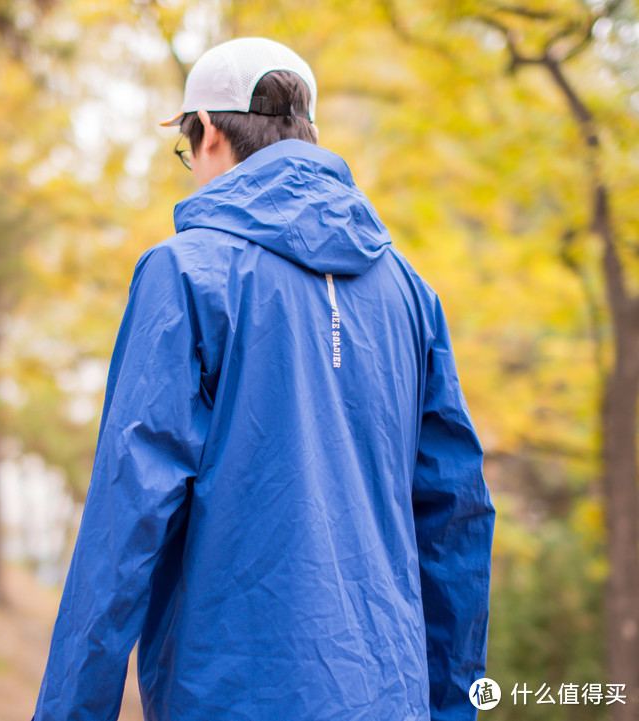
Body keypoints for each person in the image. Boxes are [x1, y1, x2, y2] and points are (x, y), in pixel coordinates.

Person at [31, 37, 495, 721]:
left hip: (230, 698)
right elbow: (455, 518)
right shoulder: (410, 294)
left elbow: (124, 520)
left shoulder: (186, 274)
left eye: (187, 152)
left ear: (210, 132)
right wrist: (453, 706)